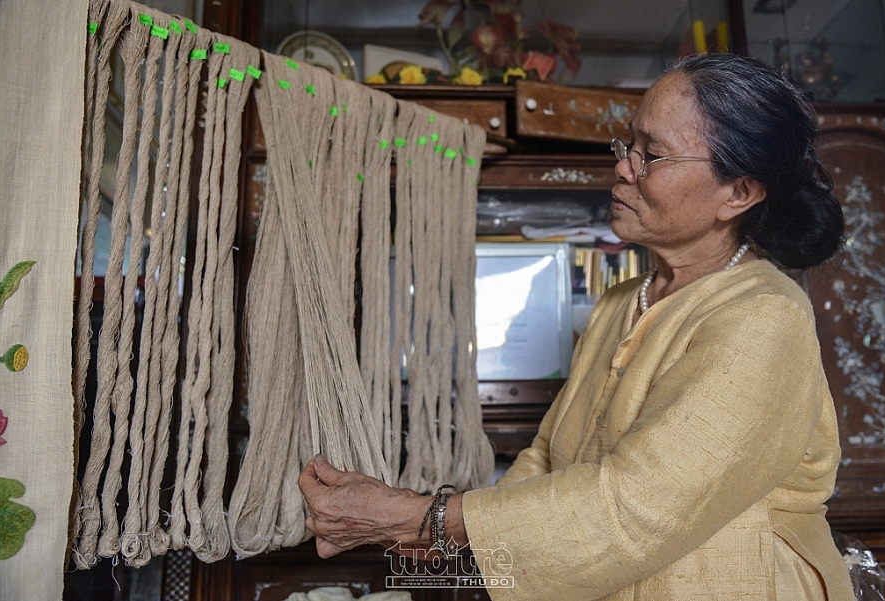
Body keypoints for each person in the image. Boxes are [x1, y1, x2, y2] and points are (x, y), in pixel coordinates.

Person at [298, 53, 855, 601]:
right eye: (628, 145)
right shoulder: (620, 301)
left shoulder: (764, 317)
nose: (623, 167)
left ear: (739, 192)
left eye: (653, 155)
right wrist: (446, 541)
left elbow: (639, 506)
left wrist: (426, 518)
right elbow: (546, 457)